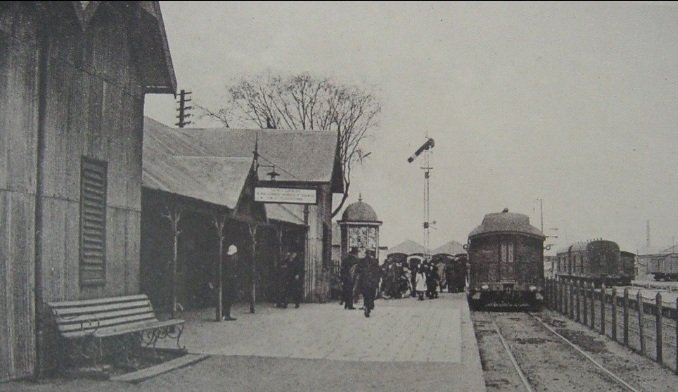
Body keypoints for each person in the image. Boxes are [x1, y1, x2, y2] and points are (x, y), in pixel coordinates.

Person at [358, 249, 381, 317]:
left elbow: (358, 270)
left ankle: (366, 306)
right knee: (371, 294)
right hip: (372, 281)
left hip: (364, 281)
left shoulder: (362, 260)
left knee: (366, 295)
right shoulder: (374, 260)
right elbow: (378, 270)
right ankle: (368, 306)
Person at [221, 244, 239, 320]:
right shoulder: (227, 262)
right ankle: (225, 314)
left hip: (230, 281)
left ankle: (226, 314)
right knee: (227, 298)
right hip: (228, 281)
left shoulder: (233, 262)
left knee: (229, 298)